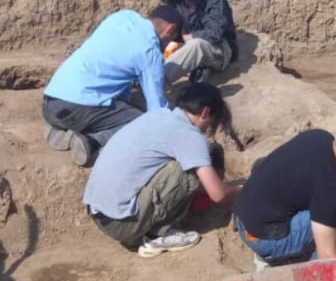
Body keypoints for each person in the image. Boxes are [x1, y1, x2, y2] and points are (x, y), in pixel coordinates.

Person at [82, 82, 239, 257]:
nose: (208, 127)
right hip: (121, 225)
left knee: (182, 163)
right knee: (184, 171)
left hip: (97, 211)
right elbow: (218, 195)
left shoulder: (157, 115)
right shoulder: (190, 137)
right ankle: (154, 234)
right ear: (205, 113)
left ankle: (144, 225)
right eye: (212, 121)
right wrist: (241, 190)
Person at [42, 6, 183, 166]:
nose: (167, 46)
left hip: (50, 103)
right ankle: (91, 141)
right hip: (77, 110)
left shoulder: (123, 17)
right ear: (169, 30)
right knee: (141, 122)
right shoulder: (149, 51)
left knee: (117, 108)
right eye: (170, 40)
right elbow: (157, 112)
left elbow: (116, 67)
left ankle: (62, 131)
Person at [233, 126, 336, 267]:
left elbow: (312, 182)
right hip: (264, 240)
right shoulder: (331, 187)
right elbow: (326, 255)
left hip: (243, 217)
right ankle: (312, 274)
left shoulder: (319, 136)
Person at [160, 0, 238, 86]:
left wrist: (190, 37)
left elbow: (216, 32)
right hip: (184, 46)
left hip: (217, 48)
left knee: (195, 44)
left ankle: (156, 81)